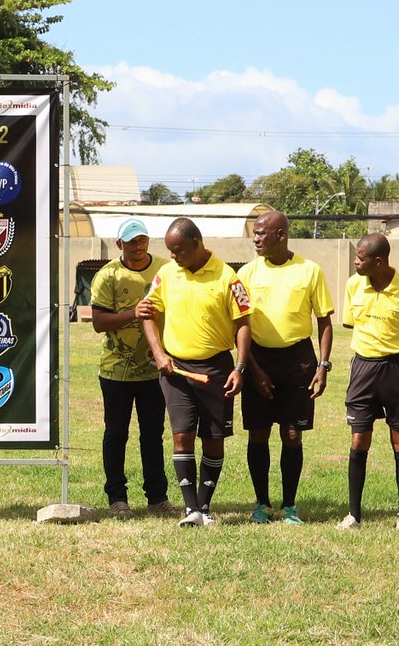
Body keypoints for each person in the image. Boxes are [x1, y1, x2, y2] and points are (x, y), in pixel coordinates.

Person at [137, 218, 250, 527]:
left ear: (197, 244)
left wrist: (239, 367)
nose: (172, 256)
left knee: (214, 439)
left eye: (178, 251)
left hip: (216, 369)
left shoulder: (228, 277)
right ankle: (191, 511)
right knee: (181, 436)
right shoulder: (166, 274)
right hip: (176, 370)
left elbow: (243, 324)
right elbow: (146, 312)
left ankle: (206, 506)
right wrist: (159, 354)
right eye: (170, 251)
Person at [235, 210, 333, 524]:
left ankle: (289, 505)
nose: (257, 238)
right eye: (255, 233)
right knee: (258, 433)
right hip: (258, 358)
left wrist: (323, 365)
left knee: (292, 434)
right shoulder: (247, 273)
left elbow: (324, 321)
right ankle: (262, 503)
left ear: (281, 234)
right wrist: (253, 368)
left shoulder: (309, 271)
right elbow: (240, 323)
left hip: (298, 360)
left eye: (263, 233)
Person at [340, 234, 399, 532]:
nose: (355, 262)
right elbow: (352, 324)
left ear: (378, 261)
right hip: (363, 368)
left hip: (396, 369)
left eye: (360, 257)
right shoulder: (354, 285)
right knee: (358, 439)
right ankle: (353, 515)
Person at [89, 218, 168, 516]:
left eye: (143, 240)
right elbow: (98, 322)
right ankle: (117, 499)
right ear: (119, 243)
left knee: (152, 433)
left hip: (153, 367)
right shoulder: (107, 275)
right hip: (115, 371)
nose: (138, 246)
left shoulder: (164, 270)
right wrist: (132, 312)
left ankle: (157, 498)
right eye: (132, 241)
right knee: (116, 433)